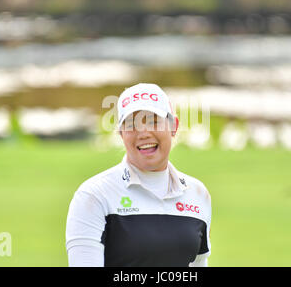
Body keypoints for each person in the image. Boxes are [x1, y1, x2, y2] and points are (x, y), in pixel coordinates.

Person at [65, 83, 212, 267]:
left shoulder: (197, 194)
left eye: (153, 121)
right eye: (132, 124)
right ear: (121, 133)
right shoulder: (94, 195)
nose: (143, 133)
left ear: (173, 126)